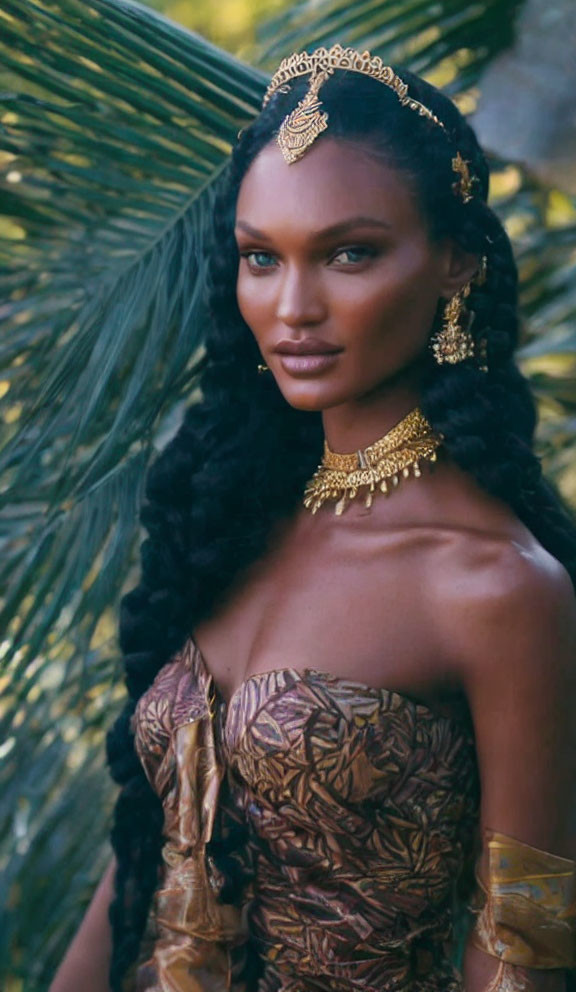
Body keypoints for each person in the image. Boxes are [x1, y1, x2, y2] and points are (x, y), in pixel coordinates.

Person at [50, 44, 576, 992]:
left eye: (349, 253)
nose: (293, 308)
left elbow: (528, 948)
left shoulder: (498, 586)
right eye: (261, 258)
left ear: (456, 264)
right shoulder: (230, 522)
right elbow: (142, 852)